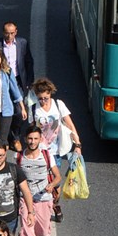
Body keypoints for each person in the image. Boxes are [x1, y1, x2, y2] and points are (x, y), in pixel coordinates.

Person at [26, 77, 82, 224]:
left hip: (56, 151)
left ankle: (56, 205)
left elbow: (70, 125)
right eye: (40, 98)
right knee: (42, 180)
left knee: (55, 182)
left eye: (46, 98)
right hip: (40, 151)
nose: (43, 101)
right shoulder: (33, 108)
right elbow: (31, 130)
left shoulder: (58, 104)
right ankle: (42, 206)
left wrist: (78, 144)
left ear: (50, 93)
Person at [16, 125, 61, 236]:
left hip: (44, 199)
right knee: (27, 233)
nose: (32, 141)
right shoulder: (20, 157)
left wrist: (52, 185)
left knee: (42, 234)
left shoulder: (47, 155)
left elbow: (57, 176)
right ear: (25, 139)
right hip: (25, 201)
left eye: (35, 138)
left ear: (40, 139)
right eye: (30, 138)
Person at [0, 44, 27, 148]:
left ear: (1, 58)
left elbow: (15, 90)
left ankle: (2, 161)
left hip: (5, 110)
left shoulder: (7, 71)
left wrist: (22, 107)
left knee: (2, 140)